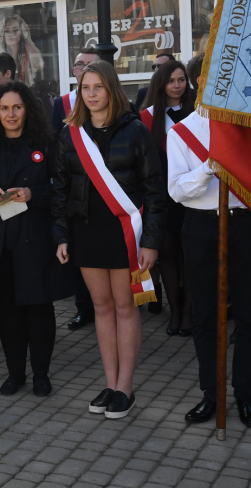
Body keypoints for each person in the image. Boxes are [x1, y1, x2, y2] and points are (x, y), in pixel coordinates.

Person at [53, 61, 165, 419]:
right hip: (87, 231)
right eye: (85, 87)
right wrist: (61, 235)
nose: (91, 94)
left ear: (111, 89)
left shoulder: (135, 131)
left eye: (98, 87)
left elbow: (155, 190)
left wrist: (150, 241)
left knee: (124, 307)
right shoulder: (70, 133)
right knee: (101, 308)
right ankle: (110, 381)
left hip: (125, 235)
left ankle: (125, 388)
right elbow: (58, 189)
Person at [167, 92, 251, 428]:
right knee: (206, 314)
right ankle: (212, 392)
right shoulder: (182, 132)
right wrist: (208, 168)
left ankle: (245, 394)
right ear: (202, 82)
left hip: (242, 221)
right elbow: (177, 190)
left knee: (248, 314)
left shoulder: (248, 126)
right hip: (200, 225)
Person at [0, 82, 77, 397]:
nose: (10, 114)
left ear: (27, 110)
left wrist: (34, 193)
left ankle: (41, 375)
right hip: (0, 244)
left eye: (16, 107)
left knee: (38, 310)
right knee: (8, 312)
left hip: (35, 241)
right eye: (4, 108)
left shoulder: (47, 144)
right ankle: (15, 373)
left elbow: (63, 190)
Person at [140, 59, 194, 336]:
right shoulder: (148, 117)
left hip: (193, 196)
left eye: (181, 79)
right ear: (161, 83)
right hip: (162, 198)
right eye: (171, 80)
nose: (177, 85)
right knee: (169, 254)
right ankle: (175, 312)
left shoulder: (197, 113)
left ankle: (188, 313)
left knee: (189, 255)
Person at [51, 47, 101, 331]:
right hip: (76, 194)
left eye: (90, 64)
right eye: (80, 64)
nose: (83, 68)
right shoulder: (63, 103)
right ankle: (84, 309)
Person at [0, 15, 43, 85]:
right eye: (7, 31)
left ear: (21, 32)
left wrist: (28, 43)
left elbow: (38, 66)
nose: (11, 34)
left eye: (15, 30)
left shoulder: (28, 51)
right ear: (3, 34)